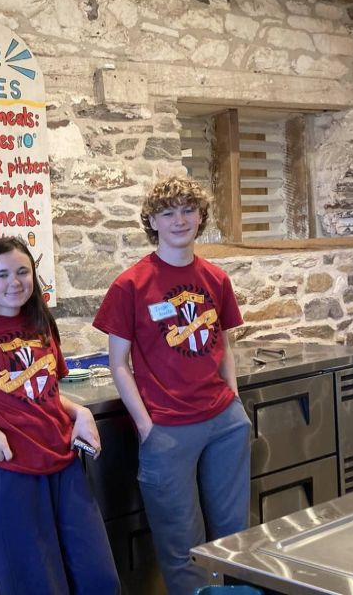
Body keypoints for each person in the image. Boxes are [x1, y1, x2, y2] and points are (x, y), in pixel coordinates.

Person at [0, 236, 120, 595]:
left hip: (62, 461)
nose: (14, 282)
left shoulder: (40, 322)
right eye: (2, 274)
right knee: (34, 584)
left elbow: (45, 393)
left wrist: (80, 412)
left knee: (99, 578)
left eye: (23, 272)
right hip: (8, 468)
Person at [92, 176, 251, 595]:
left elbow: (225, 345)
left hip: (225, 423)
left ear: (200, 217)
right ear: (152, 222)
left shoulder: (216, 278)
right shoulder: (130, 285)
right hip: (167, 429)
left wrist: (234, 400)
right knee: (182, 546)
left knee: (234, 538)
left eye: (187, 210)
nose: (179, 220)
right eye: (167, 213)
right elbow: (118, 363)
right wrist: (147, 427)